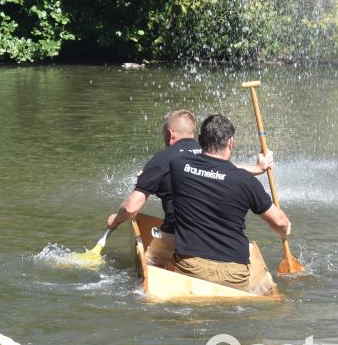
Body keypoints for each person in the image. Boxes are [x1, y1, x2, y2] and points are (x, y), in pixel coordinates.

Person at [106, 109, 271, 268]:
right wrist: (257, 168)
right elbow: (228, 171)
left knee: (149, 265)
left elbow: (130, 208)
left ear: (170, 135)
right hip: (220, 244)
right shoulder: (209, 154)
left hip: (178, 240)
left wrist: (116, 219)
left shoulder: (162, 159)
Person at [168, 114, 291, 295]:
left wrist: (257, 168)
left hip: (190, 268)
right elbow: (280, 223)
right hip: (233, 275)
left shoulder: (178, 166)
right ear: (231, 143)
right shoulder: (245, 181)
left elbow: (213, 169)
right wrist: (285, 231)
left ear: (200, 140)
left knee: (163, 264)